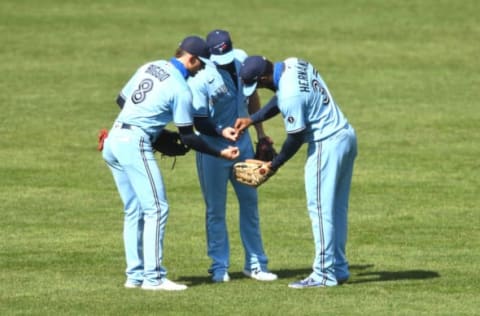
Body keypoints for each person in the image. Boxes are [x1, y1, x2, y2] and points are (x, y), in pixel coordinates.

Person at [102, 36, 240, 291]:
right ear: (192, 59)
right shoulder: (180, 88)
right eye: (201, 64)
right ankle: (153, 278)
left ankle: (135, 276)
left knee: (134, 209)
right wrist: (220, 153)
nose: (201, 70)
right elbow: (188, 136)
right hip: (134, 143)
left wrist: (155, 128)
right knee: (157, 208)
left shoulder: (150, 66)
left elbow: (123, 101)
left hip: (114, 138)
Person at [235, 55, 357, 288]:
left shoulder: (290, 93)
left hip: (326, 144)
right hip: (346, 136)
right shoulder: (294, 64)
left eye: (259, 84)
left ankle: (323, 274)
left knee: (320, 210)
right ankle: (338, 268)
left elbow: (296, 137)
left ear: (264, 77)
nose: (260, 88)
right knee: (336, 209)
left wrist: (274, 164)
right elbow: (279, 98)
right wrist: (252, 119)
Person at [187, 30, 277, 283]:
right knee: (216, 210)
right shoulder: (199, 78)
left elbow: (252, 97)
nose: (225, 61)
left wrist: (260, 133)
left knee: (250, 205)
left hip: (244, 147)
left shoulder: (241, 61)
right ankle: (219, 266)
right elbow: (198, 120)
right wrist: (219, 132)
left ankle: (256, 264)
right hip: (213, 151)